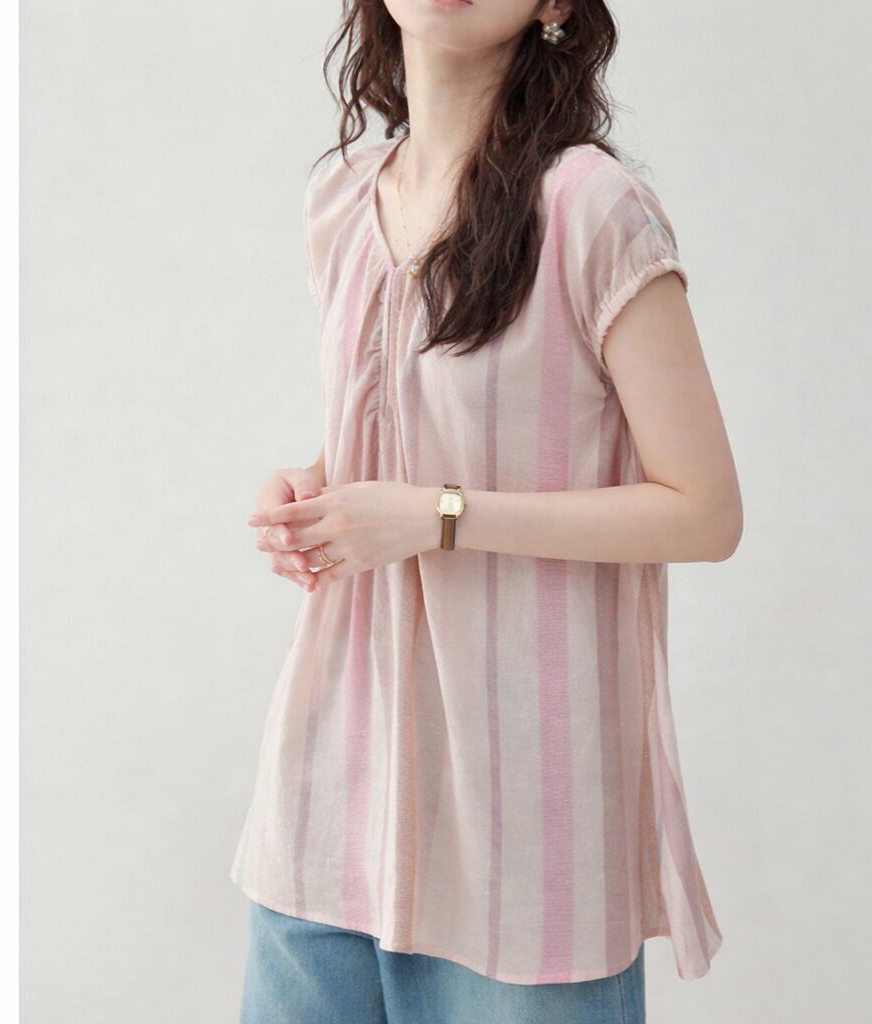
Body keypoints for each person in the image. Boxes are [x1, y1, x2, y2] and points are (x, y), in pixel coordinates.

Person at [231, 1, 742, 1021]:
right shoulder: (341, 199)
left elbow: (704, 511)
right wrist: (315, 486)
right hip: (327, 795)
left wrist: (440, 516)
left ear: (555, 4)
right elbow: (411, 422)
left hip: (525, 835)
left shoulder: (591, 207)